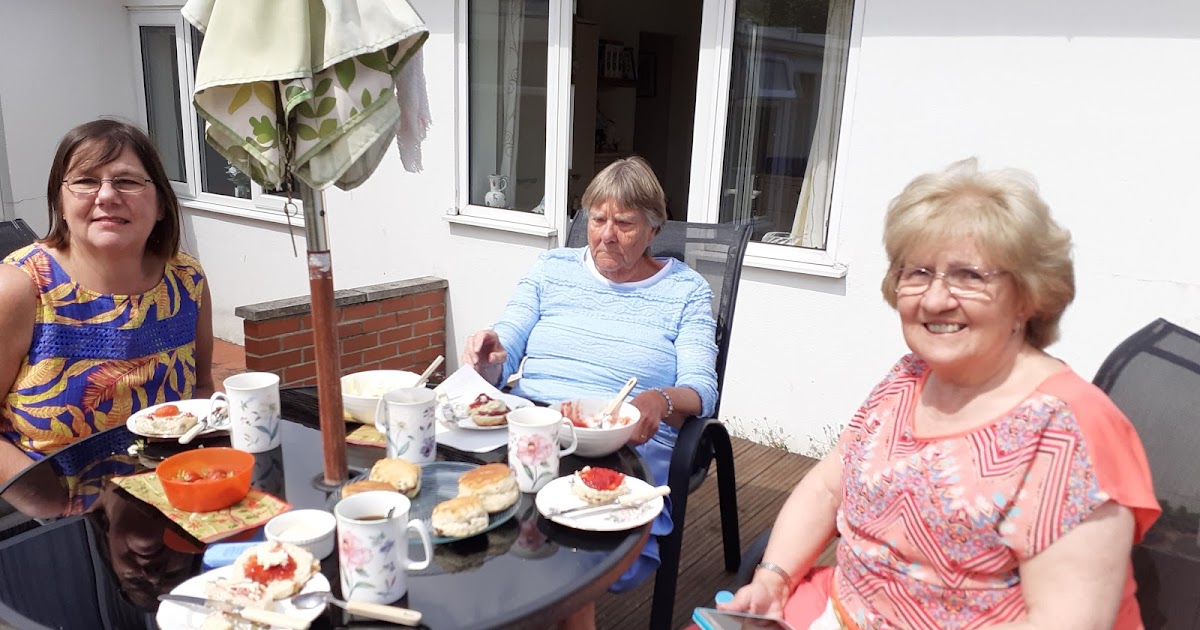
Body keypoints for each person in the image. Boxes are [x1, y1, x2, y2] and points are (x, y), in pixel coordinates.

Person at [722, 159, 1160, 629]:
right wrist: (774, 579)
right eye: (918, 273)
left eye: (969, 276)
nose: (934, 300)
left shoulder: (1068, 431)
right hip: (838, 610)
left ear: (1029, 296)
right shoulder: (909, 377)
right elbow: (828, 487)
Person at [461, 157, 719, 609]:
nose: (606, 234)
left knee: (568, 555)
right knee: (475, 524)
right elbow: (507, 347)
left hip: (627, 443)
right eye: (598, 220)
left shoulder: (685, 290)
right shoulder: (551, 269)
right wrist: (490, 354)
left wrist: (659, 400)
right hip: (536, 426)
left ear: (654, 229)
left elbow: (701, 390)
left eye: (624, 223)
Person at [0, 119, 214, 487]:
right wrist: (50, 505)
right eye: (85, 181)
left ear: (161, 203)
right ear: (60, 202)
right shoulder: (20, 288)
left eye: (127, 181)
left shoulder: (186, 280)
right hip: (59, 514)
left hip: (173, 495)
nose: (106, 196)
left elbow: (202, 389)